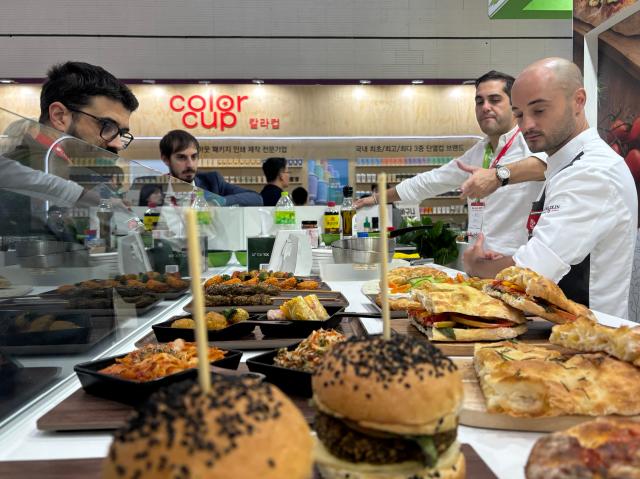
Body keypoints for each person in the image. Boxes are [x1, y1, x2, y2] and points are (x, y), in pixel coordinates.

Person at [463, 57, 637, 318]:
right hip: (560, 331)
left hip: (591, 341)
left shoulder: (592, 172)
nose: (527, 125)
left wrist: (476, 265)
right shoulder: (563, 166)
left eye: (539, 110)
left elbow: (533, 272)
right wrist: (504, 259)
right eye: (519, 114)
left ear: (578, 101)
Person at [354, 71, 547, 255]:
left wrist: (497, 175)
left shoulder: (530, 140)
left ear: (515, 107)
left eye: (494, 100)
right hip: (480, 263)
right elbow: (430, 181)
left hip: (519, 267)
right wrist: (378, 198)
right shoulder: (479, 152)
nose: (485, 107)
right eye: (479, 101)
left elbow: (545, 166)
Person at [0, 61, 140, 234]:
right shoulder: (25, 171)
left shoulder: (76, 173)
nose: (117, 143)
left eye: (122, 132)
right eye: (107, 125)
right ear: (59, 117)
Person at [159, 130, 262, 206]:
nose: (190, 164)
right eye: (181, 157)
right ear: (166, 159)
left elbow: (256, 198)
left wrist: (217, 202)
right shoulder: (153, 189)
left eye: (194, 156)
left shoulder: (212, 181)